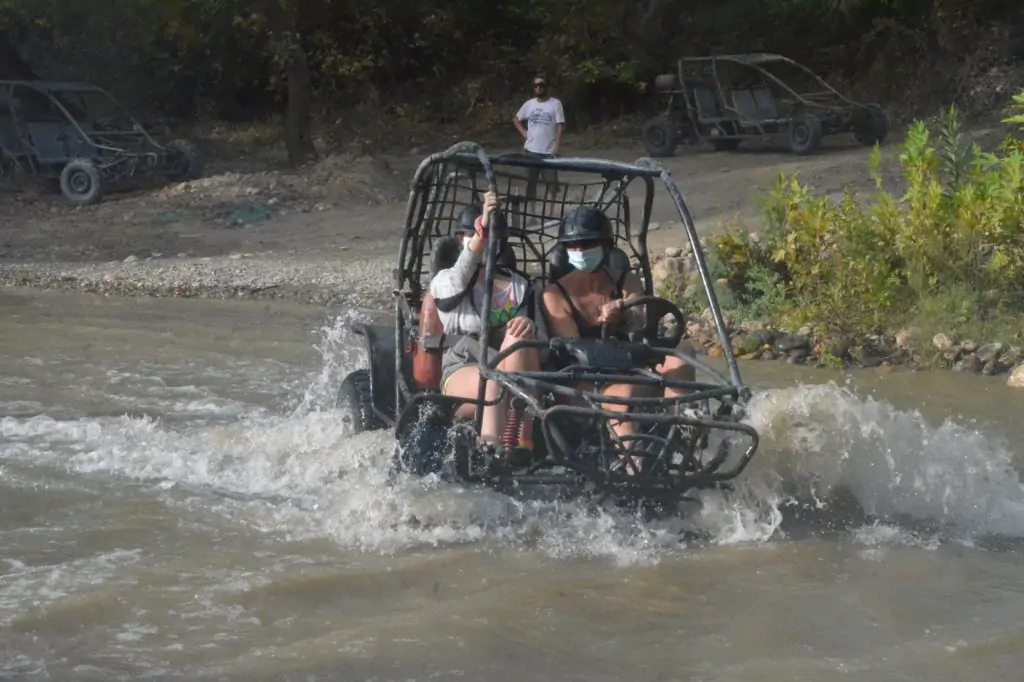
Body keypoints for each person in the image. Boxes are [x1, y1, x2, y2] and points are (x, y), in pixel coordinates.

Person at [541, 205, 695, 473]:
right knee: (622, 393)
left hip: (633, 369)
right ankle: (634, 470)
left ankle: (676, 434)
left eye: (587, 244)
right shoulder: (554, 294)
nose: (580, 251)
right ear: (564, 250)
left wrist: (623, 311)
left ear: (605, 246)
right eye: (573, 245)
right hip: (583, 384)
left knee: (682, 354)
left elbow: (639, 321)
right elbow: (575, 352)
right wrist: (602, 326)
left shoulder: (627, 280)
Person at [429, 191, 545, 458]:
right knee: (492, 382)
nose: (486, 242)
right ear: (462, 241)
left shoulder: (522, 285)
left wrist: (528, 326)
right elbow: (461, 276)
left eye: (493, 238)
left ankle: (521, 445)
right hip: (464, 365)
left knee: (519, 339)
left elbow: (545, 345)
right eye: (476, 236)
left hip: (520, 368)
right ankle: (490, 451)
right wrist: (480, 235)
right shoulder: (445, 281)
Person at [513, 73, 564, 221]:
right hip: (530, 150)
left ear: (547, 87)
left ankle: (548, 215)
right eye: (536, 85)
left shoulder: (556, 104)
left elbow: (560, 126)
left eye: (542, 85)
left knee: (551, 184)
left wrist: (558, 146)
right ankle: (532, 215)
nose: (539, 88)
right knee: (531, 184)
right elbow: (516, 119)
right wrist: (524, 132)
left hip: (548, 151)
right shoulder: (529, 104)